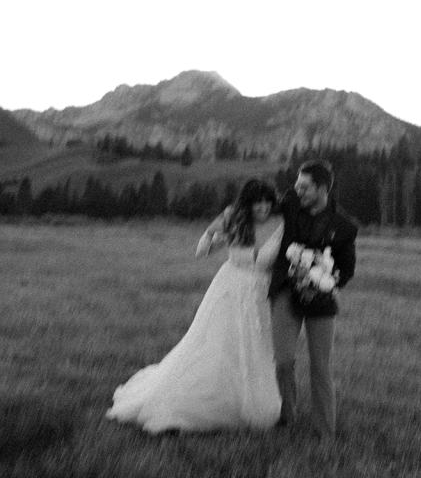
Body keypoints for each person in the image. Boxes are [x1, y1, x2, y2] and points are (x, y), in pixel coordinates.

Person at [105, 179, 283, 433]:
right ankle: (207, 398)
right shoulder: (234, 217)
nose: (263, 208)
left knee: (257, 344)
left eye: (267, 202)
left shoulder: (279, 222)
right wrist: (216, 241)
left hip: (261, 293)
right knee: (219, 342)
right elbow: (206, 243)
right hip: (231, 288)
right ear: (248, 203)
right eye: (258, 203)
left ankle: (254, 396)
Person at [269, 159, 358, 441]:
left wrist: (325, 281)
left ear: (321, 189)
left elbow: (347, 270)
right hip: (285, 291)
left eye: (304, 187)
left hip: (321, 301)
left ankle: (325, 433)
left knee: (320, 366)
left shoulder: (344, 227)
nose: (298, 191)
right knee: (282, 360)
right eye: (296, 186)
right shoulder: (290, 204)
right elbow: (256, 209)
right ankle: (287, 415)